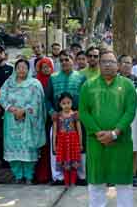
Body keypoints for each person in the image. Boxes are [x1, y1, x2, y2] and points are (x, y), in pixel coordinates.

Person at [79, 51, 137, 206]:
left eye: (111, 62)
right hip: (96, 142)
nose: (107, 65)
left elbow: (130, 111)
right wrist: (99, 133)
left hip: (121, 141)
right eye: (104, 62)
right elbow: (83, 112)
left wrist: (115, 133)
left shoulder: (127, 85)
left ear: (117, 65)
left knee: (123, 182)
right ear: (99, 65)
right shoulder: (88, 85)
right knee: (97, 181)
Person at [0, 59, 46, 184]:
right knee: (13, 150)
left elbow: (38, 102)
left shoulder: (34, 84)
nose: (21, 70)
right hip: (11, 121)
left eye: (24, 67)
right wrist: (12, 108)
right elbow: (2, 96)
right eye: (18, 67)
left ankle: (29, 176)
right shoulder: (8, 83)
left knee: (29, 149)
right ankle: (18, 175)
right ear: (15, 69)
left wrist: (24, 111)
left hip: (28, 122)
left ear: (28, 69)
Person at [45, 52, 87, 185]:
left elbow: (86, 98)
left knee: (80, 148)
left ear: (72, 60)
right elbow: (46, 99)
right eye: (61, 60)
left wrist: (81, 111)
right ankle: (58, 177)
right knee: (55, 148)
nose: (64, 62)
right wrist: (52, 112)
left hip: (77, 119)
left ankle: (81, 176)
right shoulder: (53, 78)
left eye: (67, 59)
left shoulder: (81, 78)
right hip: (59, 119)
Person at [118, 54, 137, 185]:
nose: (127, 65)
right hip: (117, 118)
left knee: (134, 147)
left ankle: (133, 175)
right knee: (118, 147)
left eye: (129, 63)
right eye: (124, 62)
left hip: (135, 119)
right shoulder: (113, 80)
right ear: (118, 65)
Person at [52, 92, 83, 186]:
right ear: (60, 104)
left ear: (72, 103)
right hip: (62, 142)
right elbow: (54, 132)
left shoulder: (75, 115)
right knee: (64, 162)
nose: (66, 105)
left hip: (73, 141)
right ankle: (66, 183)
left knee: (74, 161)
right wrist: (54, 145)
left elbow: (79, 130)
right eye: (64, 103)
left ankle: (73, 182)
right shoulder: (57, 116)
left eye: (68, 103)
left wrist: (81, 143)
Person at [34, 58, 55, 183]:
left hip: (51, 117)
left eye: (48, 67)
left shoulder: (54, 80)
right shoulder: (36, 81)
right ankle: (41, 174)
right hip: (38, 118)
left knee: (50, 145)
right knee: (41, 146)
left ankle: (51, 173)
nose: (46, 69)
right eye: (43, 67)